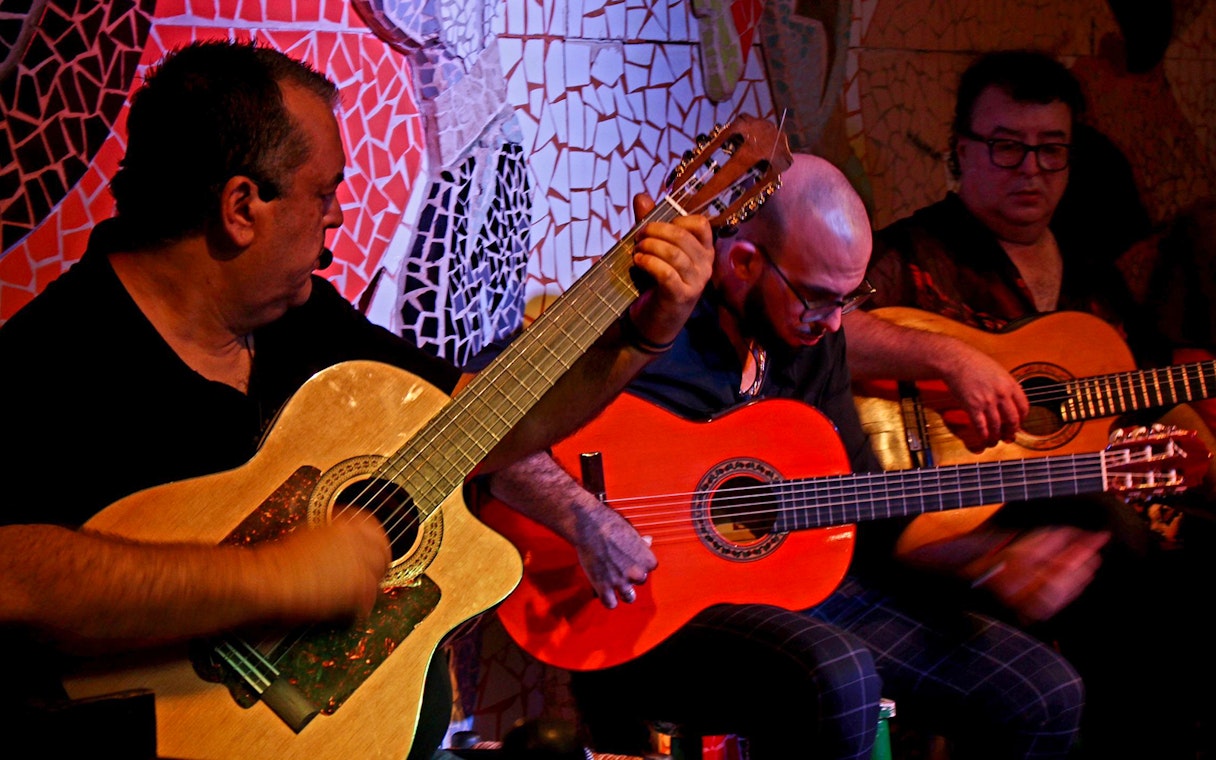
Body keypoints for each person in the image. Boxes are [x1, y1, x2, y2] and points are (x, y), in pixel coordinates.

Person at [0, 39, 715, 758]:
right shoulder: (55, 354)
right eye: (324, 191)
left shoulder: (301, 318)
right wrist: (275, 577)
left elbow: (489, 419)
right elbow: (14, 576)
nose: (337, 218)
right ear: (242, 207)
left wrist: (638, 334)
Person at [483, 153, 1094, 760]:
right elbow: (482, 424)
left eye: (847, 302)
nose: (832, 325)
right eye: (819, 299)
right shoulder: (645, 318)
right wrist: (585, 519)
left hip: (799, 599)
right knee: (836, 672)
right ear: (746, 262)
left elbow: (869, 508)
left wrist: (990, 559)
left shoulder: (810, 344)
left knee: (1044, 693)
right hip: (640, 612)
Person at [845, 48, 1216, 759]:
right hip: (944, 509)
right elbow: (825, 333)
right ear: (962, 151)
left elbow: (1142, 389)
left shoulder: (1093, 279)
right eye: (1008, 148)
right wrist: (948, 358)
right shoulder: (911, 253)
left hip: (1077, 502)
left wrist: (1198, 448)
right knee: (1112, 533)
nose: (1031, 171)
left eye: (1051, 152)